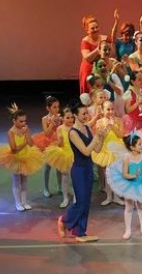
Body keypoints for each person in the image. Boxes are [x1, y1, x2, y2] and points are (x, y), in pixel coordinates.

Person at [57, 101, 108, 242]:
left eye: (87, 113)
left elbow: (96, 149)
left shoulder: (87, 128)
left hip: (88, 169)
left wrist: (101, 137)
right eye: (83, 113)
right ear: (75, 115)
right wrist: (96, 137)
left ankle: (80, 233)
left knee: (86, 202)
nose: (86, 116)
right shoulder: (73, 132)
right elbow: (85, 151)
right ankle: (63, 220)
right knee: (80, 202)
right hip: (79, 170)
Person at [106, 133, 142, 240]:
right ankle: (128, 230)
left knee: (141, 206)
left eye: (141, 143)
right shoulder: (127, 157)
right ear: (132, 147)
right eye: (139, 144)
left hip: (141, 184)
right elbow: (124, 174)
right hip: (130, 184)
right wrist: (133, 176)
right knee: (129, 207)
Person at [0, 104, 44, 211]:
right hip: (15, 158)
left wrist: (27, 133)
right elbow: (14, 149)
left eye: (25, 121)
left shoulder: (25, 129)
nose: (23, 123)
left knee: (24, 180)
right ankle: (18, 202)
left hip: (26, 156)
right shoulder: (11, 132)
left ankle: (24, 202)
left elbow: (31, 144)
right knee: (16, 181)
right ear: (14, 121)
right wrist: (24, 142)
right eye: (21, 121)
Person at [92, 101, 125, 206]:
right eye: (108, 109)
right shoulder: (99, 122)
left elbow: (121, 135)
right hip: (106, 150)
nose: (111, 111)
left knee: (117, 174)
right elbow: (101, 137)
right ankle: (109, 196)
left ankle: (116, 197)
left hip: (117, 150)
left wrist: (113, 126)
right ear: (102, 111)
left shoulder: (119, 120)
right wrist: (107, 127)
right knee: (108, 174)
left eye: (112, 109)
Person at [43, 106, 76, 208]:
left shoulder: (75, 127)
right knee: (65, 177)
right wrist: (60, 141)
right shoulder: (60, 128)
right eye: (67, 117)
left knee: (75, 177)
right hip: (65, 154)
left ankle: (76, 197)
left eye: (72, 117)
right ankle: (65, 198)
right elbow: (60, 144)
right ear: (63, 118)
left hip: (75, 154)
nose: (70, 119)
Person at [32, 96, 62, 198]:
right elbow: (47, 133)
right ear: (48, 108)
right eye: (54, 107)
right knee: (48, 166)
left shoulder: (60, 117)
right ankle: (46, 188)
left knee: (59, 166)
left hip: (58, 142)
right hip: (48, 143)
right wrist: (52, 124)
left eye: (58, 107)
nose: (57, 109)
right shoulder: (44, 119)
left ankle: (60, 187)